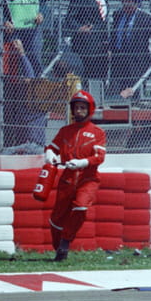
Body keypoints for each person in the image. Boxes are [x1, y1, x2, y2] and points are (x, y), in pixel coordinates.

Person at [44, 90, 106, 262]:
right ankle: (60, 250)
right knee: (56, 219)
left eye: (82, 108)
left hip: (88, 178)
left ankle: (65, 241)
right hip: (67, 179)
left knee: (81, 206)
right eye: (76, 108)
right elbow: (52, 147)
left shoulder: (98, 132)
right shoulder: (65, 131)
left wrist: (82, 162)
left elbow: (100, 157)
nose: (79, 111)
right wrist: (49, 154)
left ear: (89, 109)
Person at [109, 0, 151, 98]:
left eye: (130, 6)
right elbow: (115, 35)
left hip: (136, 60)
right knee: (116, 91)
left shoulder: (145, 18)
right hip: (118, 59)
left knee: (134, 92)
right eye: (125, 5)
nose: (127, 9)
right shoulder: (117, 15)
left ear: (136, 4)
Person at [2, 0, 46, 75]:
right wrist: (5, 21)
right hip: (15, 30)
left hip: (33, 28)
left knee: (35, 58)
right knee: (16, 61)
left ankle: (37, 85)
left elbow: (43, 2)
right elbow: (1, 8)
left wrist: (42, 14)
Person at [65, 0, 111, 81]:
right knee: (88, 75)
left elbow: (103, 19)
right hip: (86, 43)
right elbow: (70, 17)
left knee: (100, 74)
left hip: (101, 42)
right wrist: (79, 28)